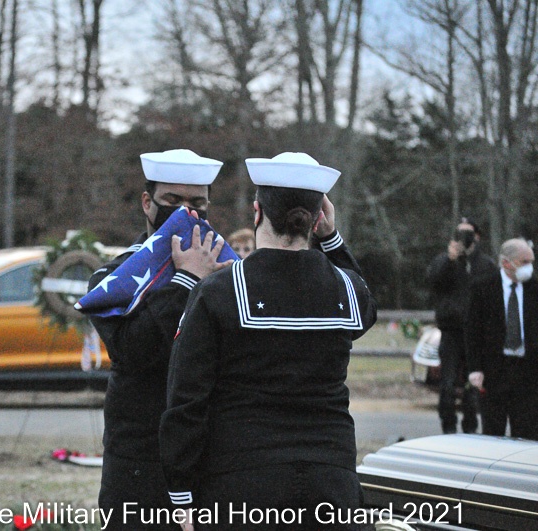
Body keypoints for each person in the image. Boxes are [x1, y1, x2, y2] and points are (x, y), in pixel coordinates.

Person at [159, 153, 377, 530]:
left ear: (257, 212)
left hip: (242, 481)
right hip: (331, 479)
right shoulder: (346, 288)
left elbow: (186, 400)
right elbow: (365, 302)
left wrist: (182, 494)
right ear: (318, 218)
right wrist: (332, 239)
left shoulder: (218, 291)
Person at [88, 149, 232, 530]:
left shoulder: (226, 271)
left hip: (210, 453)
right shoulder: (114, 278)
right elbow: (135, 351)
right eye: (172, 200)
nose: (185, 212)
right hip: (139, 457)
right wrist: (185, 281)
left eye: (197, 204)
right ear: (147, 203)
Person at [427, 218, 497, 434]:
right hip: (450, 330)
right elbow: (432, 282)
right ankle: (448, 427)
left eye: (468, 234)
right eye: (459, 233)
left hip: (475, 333)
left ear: (477, 237)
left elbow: (493, 294)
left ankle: (470, 426)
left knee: (472, 384)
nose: (463, 238)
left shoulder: (485, 264)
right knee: (447, 383)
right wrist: (450, 260)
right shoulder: (445, 260)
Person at [467, 238, 538, 440]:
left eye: (531, 262)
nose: (529, 267)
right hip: (494, 371)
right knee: (493, 432)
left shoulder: (534, 288)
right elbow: (472, 331)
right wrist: (475, 368)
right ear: (506, 263)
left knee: (527, 433)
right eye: (524, 262)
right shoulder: (483, 287)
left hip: (528, 371)